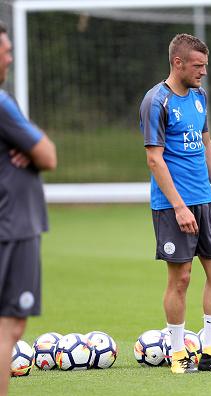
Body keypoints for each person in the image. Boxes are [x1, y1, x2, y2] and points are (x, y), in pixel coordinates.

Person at [139, 33, 211, 374]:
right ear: (178, 63)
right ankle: (178, 353)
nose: (203, 72)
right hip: (174, 205)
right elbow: (155, 160)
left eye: (205, 65)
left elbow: (207, 145)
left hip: (205, 201)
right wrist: (179, 207)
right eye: (198, 66)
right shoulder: (157, 101)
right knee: (181, 278)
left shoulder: (199, 97)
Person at [0, 20, 57, 394]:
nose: (9, 57)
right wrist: (29, 143)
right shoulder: (3, 103)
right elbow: (48, 155)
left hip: (12, 222)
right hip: (12, 224)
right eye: (4, 51)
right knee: (9, 324)